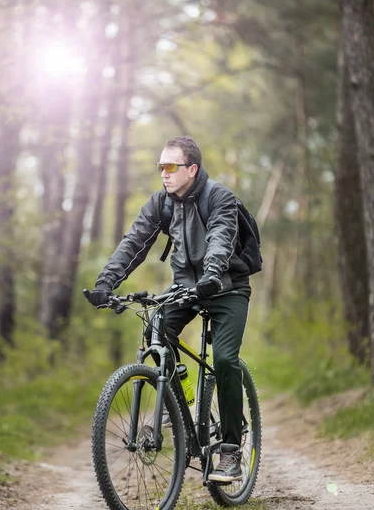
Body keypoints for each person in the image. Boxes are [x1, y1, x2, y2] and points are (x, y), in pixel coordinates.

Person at [87, 136, 251, 483]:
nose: (164, 173)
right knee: (156, 331)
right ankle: (179, 401)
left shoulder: (219, 197)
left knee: (223, 359)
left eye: (172, 166)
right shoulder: (161, 203)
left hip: (226, 287)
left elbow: (221, 237)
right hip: (185, 287)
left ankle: (231, 451)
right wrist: (106, 283)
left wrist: (211, 274)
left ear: (192, 169)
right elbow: (134, 242)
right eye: (161, 166)